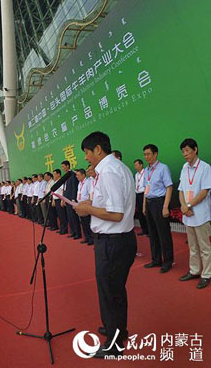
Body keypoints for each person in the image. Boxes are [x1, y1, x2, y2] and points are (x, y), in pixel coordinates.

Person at [74, 131, 136, 358]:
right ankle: (115, 328)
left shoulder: (109, 171)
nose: (87, 158)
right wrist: (92, 203)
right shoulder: (116, 168)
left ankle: (115, 343)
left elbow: (116, 213)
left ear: (98, 149)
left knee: (111, 292)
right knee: (113, 290)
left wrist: (88, 209)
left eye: (87, 153)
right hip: (117, 241)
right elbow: (110, 203)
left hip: (113, 242)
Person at [177, 138, 211, 289]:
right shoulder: (184, 168)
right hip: (188, 214)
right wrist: (184, 206)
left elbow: (204, 191)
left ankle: (206, 274)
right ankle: (195, 270)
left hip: (201, 214)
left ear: (195, 149)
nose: (185, 154)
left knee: (204, 247)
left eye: (187, 151)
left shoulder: (205, 168)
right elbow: (181, 190)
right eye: (183, 151)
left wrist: (189, 205)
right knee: (192, 246)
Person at [142, 144, 174, 273]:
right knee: (152, 233)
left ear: (155, 154)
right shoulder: (146, 170)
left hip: (160, 203)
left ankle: (167, 261)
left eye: (148, 154)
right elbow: (145, 189)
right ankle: (156, 259)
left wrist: (165, 207)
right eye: (144, 154)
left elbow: (169, 187)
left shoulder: (163, 168)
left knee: (163, 233)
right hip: (149, 204)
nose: (146, 157)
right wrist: (144, 206)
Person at [62, 161, 81, 240]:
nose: (62, 168)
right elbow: (64, 188)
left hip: (71, 199)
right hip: (66, 198)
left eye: (63, 166)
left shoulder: (72, 175)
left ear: (67, 166)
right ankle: (73, 232)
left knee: (73, 217)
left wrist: (73, 199)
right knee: (69, 217)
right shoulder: (66, 176)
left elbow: (74, 187)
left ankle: (78, 233)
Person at [75, 168, 94, 245]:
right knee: (83, 223)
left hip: (86, 205)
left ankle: (91, 238)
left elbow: (90, 194)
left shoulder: (88, 182)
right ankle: (86, 237)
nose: (77, 176)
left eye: (78, 175)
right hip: (80, 204)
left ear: (83, 175)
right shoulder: (80, 183)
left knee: (87, 222)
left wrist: (88, 203)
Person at [133, 159, 149, 236]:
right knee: (140, 213)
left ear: (141, 165)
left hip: (144, 194)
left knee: (146, 212)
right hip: (138, 194)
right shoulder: (136, 175)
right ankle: (144, 230)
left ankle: (150, 231)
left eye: (136, 165)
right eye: (134, 165)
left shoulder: (146, 172)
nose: (135, 167)